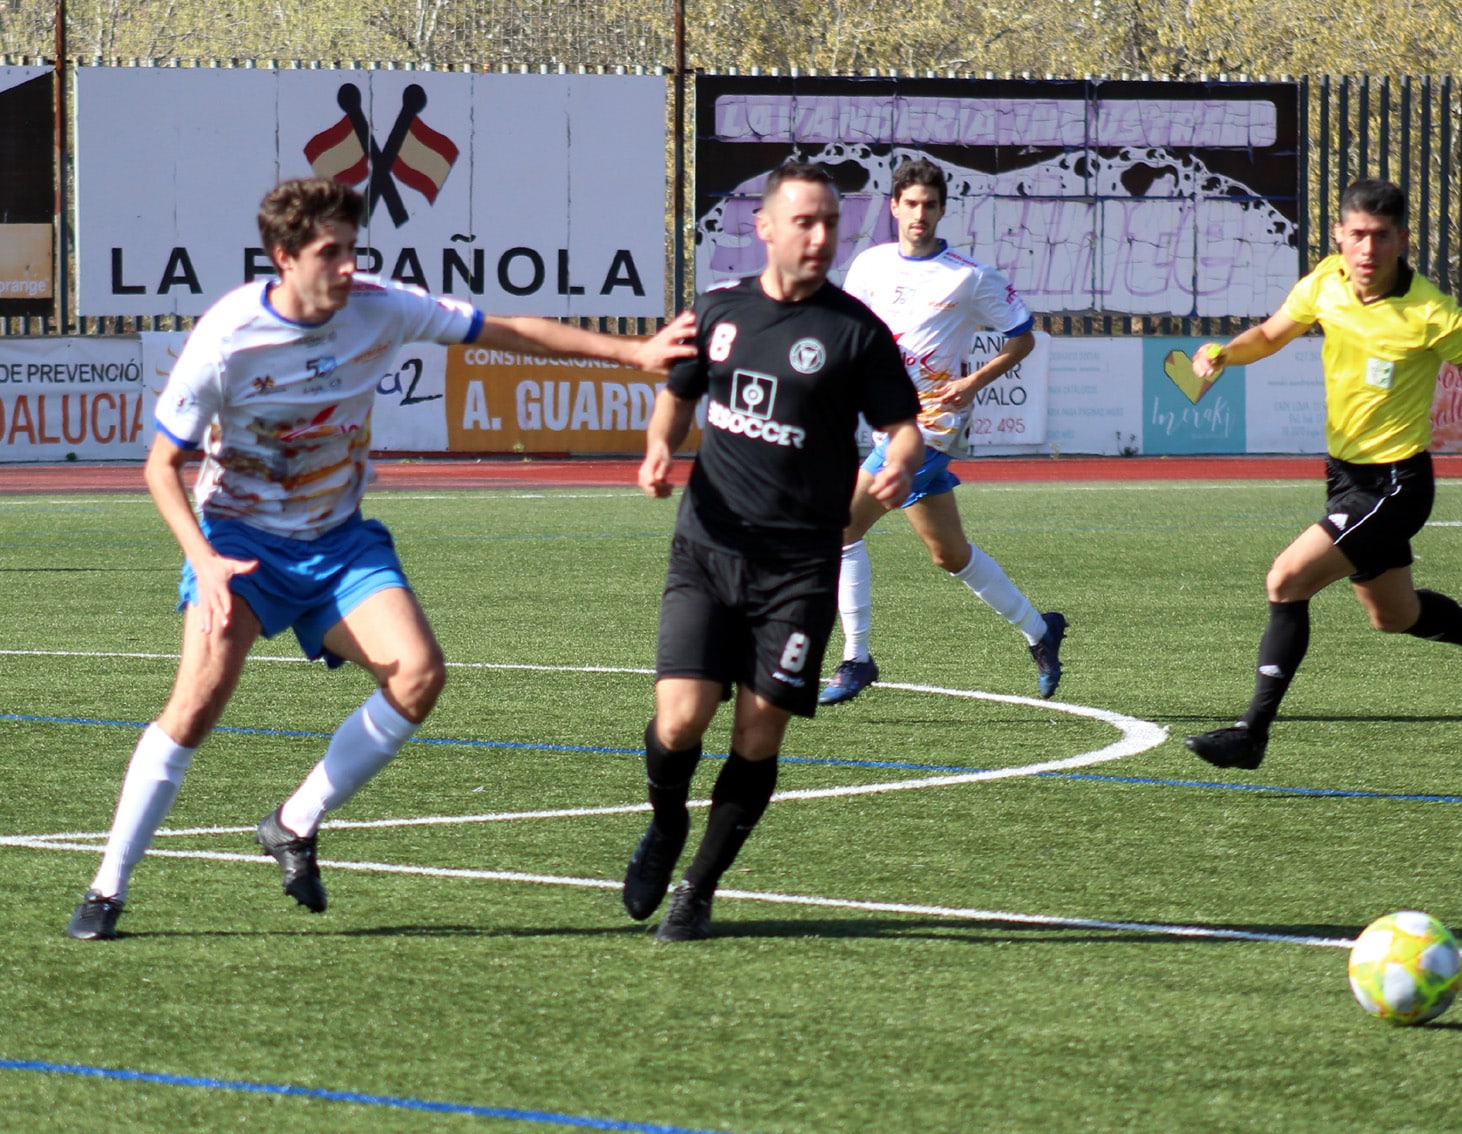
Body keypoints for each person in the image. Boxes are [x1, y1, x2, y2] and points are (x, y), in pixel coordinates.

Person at [66, 176, 695, 940]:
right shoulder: (227, 337)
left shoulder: (381, 306)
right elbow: (160, 467)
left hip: (338, 541)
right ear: (283, 256)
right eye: (329, 253)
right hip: (240, 543)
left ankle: (295, 821)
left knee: (419, 674)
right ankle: (108, 885)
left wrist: (633, 353)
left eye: (352, 250)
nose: (345, 267)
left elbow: (509, 332)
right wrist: (200, 558)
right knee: (195, 704)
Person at [626, 161, 923, 942]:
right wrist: (660, 446)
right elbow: (678, 392)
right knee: (681, 719)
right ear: (766, 227)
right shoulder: (719, 312)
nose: (821, 236)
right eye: (805, 222)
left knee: (758, 735)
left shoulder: (855, 332)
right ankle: (663, 825)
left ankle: (699, 886)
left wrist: (899, 458)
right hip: (708, 549)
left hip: (797, 572)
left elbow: (904, 427)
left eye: (830, 221)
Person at [1183, 178, 1462, 771]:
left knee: (1285, 580)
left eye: (1382, 237)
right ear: (1338, 235)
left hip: (1396, 485)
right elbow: (1273, 333)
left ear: (1403, 240)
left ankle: (1251, 732)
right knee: (1394, 616)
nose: (1367, 249)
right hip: (1345, 477)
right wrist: (1225, 353)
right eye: (1357, 234)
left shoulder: (1434, 314)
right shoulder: (1326, 281)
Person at [817, 157, 1067, 705]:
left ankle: (856, 660)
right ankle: (1039, 630)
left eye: (930, 206)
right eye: (911, 204)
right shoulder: (870, 266)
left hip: (931, 423)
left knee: (841, 530)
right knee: (948, 554)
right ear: (894, 207)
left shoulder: (968, 275)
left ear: (942, 210)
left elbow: (1023, 338)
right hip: (886, 421)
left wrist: (974, 381)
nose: (920, 215)